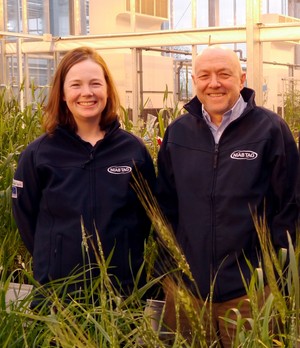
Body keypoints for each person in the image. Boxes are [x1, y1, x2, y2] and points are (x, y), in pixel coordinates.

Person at [156, 45, 299, 346]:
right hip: (186, 293)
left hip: (251, 293)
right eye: (205, 76)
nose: (214, 83)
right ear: (194, 81)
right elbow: (166, 207)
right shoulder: (178, 133)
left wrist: (274, 278)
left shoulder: (270, 130)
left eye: (224, 74)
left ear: (242, 79)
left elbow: (289, 207)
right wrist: (170, 272)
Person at [12, 46, 156, 308]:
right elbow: (26, 217)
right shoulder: (39, 154)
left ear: (107, 90)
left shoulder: (133, 150)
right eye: (76, 84)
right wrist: (55, 255)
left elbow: (146, 217)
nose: (86, 93)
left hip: (120, 295)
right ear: (63, 93)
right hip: (57, 297)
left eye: (95, 83)